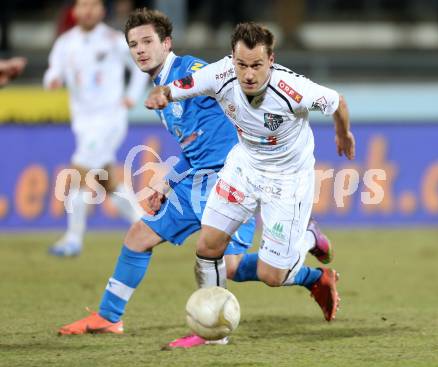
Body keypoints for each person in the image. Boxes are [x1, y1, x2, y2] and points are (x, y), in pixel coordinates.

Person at [57, 9, 335, 349]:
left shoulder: (192, 73)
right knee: (143, 236)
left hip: (232, 179)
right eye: (133, 44)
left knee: (228, 264)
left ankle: (230, 322)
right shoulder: (162, 89)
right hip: (197, 179)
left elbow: (237, 107)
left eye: (147, 41)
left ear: (166, 43)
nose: (140, 50)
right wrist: (168, 180)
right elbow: (194, 146)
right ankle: (109, 317)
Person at [146, 21, 355, 345]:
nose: (248, 74)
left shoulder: (291, 89)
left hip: (288, 181)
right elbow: (181, 85)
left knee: (274, 276)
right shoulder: (220, 74)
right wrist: (163, 93)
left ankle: (307, 238)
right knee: (208, 246)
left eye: (257, 65)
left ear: (270, 60)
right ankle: (213, 333)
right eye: (241, 64)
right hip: (245, 167)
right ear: (232, 59)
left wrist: (343, 133)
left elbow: (337, 101)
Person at [43, 0, 147, 257]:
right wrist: (52, 80)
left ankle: (73, 239)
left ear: (101, 11)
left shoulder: (113, 40)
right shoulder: (65, 43)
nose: (88, 10)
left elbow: (140, 66)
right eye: (83, 5)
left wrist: (132, 96)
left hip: (110, 118)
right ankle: (147, 225)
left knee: (78, 171)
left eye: (93, 5)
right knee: (106, 181)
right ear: (74, 11)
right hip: (83, 121)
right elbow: (52, 72)